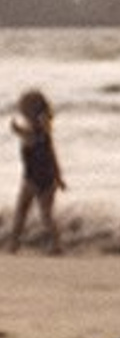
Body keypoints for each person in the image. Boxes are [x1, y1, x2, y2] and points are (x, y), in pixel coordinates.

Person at [9, 88, 64, 253]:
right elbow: (52, 156)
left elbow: (31, 138)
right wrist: (58, 177)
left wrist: (17, 130)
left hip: (36, 179)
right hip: (41, 178)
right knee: (42, 214)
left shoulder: (38, 131)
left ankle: (15, 244)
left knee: (24, 212)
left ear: (30, 111)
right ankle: (53, 244)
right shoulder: (43, 131)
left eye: (23, 109)